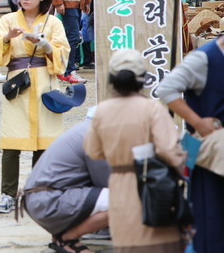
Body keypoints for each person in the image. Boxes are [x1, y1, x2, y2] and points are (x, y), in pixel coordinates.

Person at [0, 0, 70, 214]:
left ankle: (38, 193)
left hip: (45, 85)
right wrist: (7, 40)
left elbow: (63, 54)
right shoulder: (8, 20)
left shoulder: (53, 23)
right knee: (11, 141)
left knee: (45, 142)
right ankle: (8, 194)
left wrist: (46, 45)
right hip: (18, 87)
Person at [84, 49, 186, 253]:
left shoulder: (102, 111)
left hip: (118, 184)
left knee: (126, 242)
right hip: (154, 184)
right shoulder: (152, 109)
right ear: (142, 79)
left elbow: (93, 151)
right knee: (157, 243)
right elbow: (169, 150)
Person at [156, 35, 224, 253]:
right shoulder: (204, 58)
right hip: (205, 146)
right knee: (209, 210)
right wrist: (197, 122)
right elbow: (166, 89)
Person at [21, 117, 111, 253]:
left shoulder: (86, 129)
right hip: (50, 202)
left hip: (39, 200)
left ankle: (63, 234)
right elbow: (106, 182)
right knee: (126, 201)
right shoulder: (96, 135)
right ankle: (68, 238)